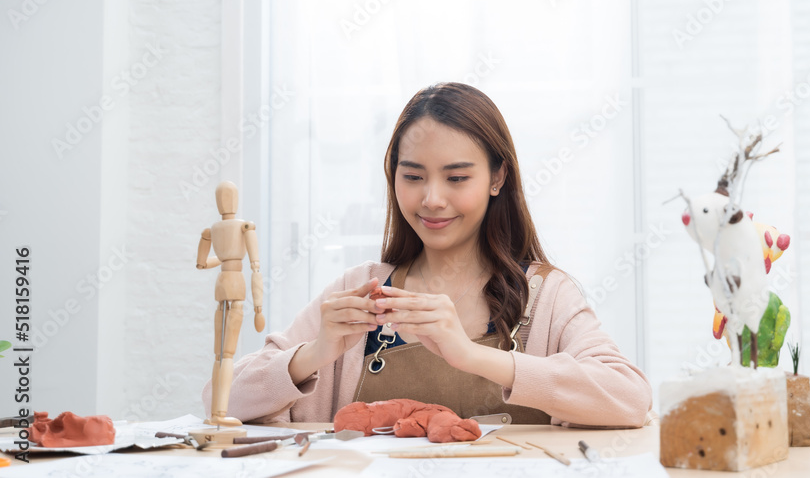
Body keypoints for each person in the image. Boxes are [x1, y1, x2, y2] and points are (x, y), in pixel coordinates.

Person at [205, 82, 651, 427]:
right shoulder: (360, 289)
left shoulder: (545, 294)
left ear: (498, 178)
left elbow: (629, 398)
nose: (432, 199)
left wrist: (472, 356)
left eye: (457, 178)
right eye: (413, 176)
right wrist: (316, 352)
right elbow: (218, 399)